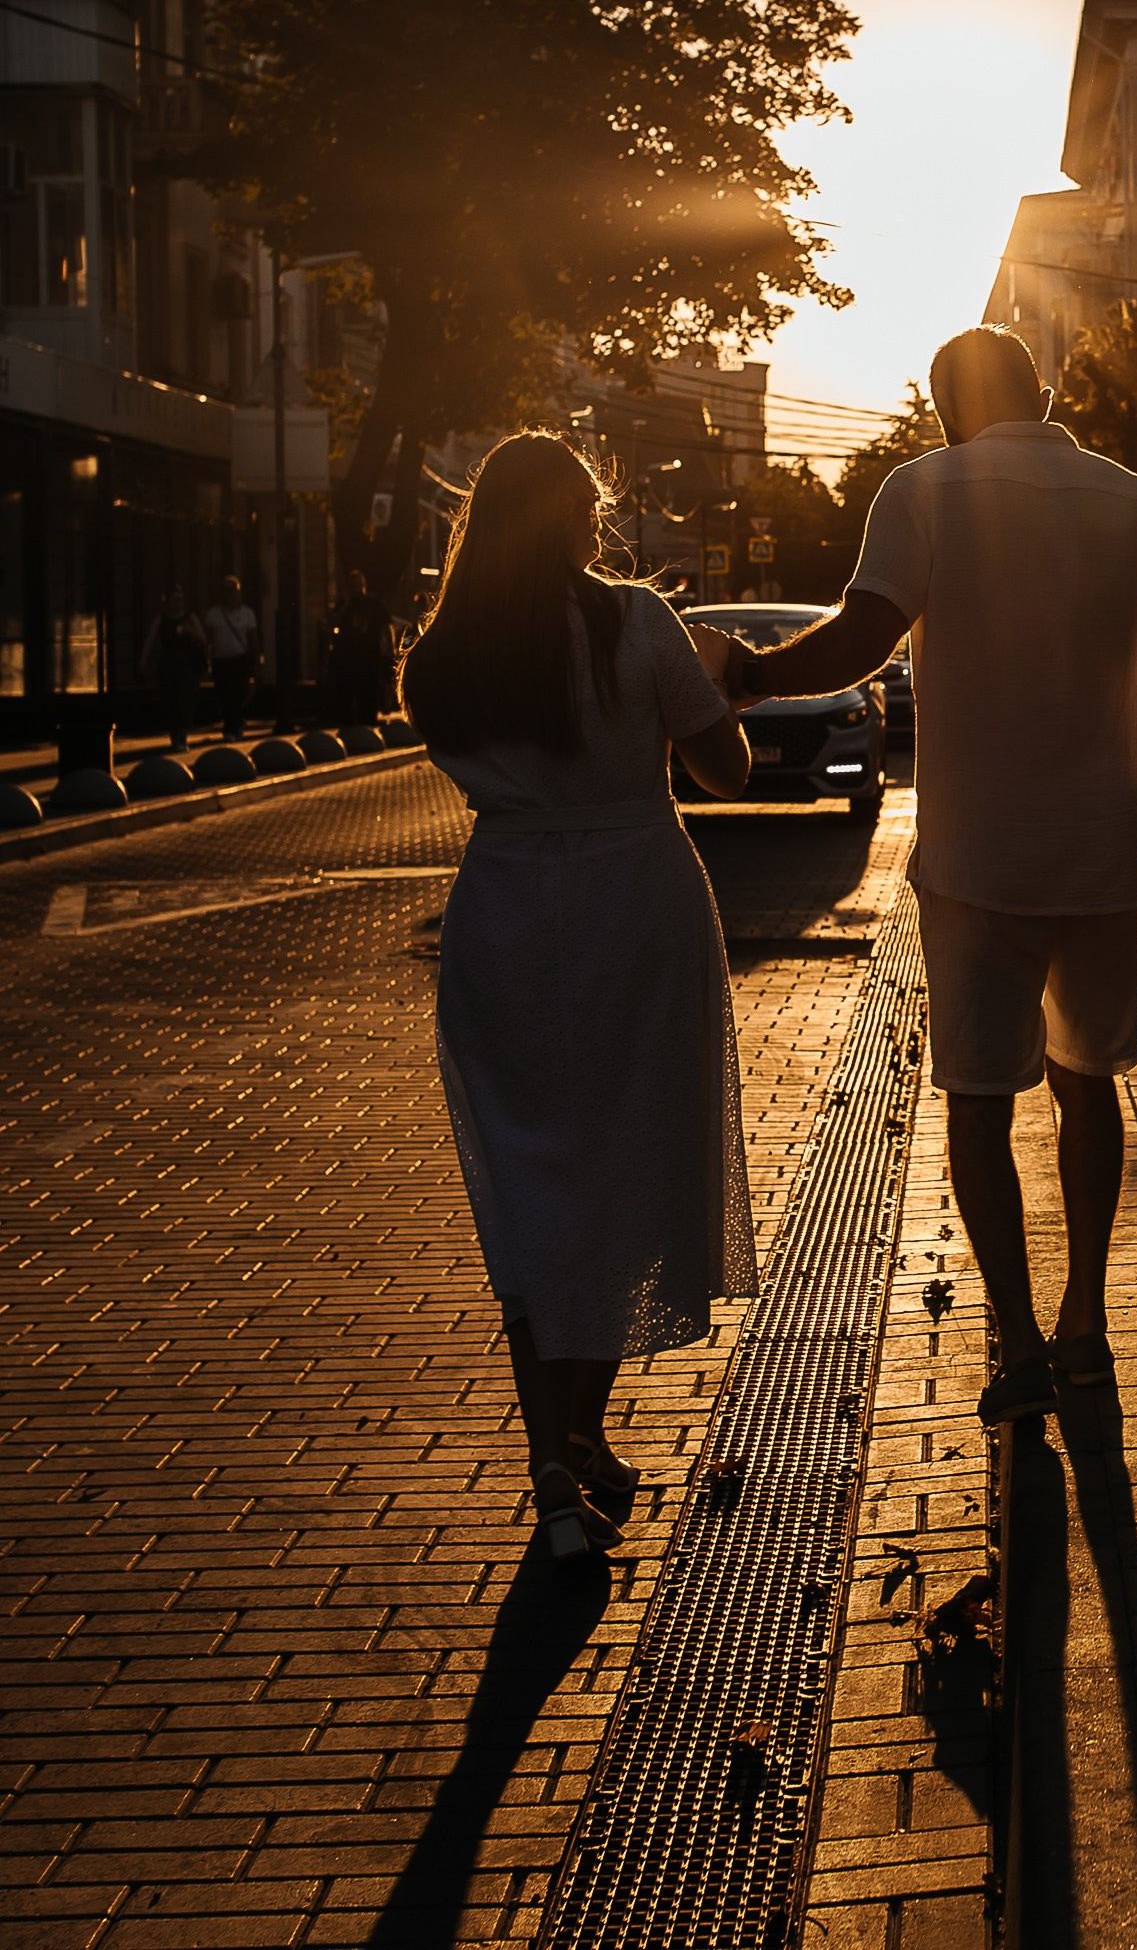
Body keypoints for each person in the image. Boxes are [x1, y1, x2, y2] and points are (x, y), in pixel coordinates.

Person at [710, 325, 1137, 1428]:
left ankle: (1020, 1338)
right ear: (1040, 394)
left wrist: (750, 676)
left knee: (980, 1101)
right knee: (1090, 1082)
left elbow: (864, 633)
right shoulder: (1136, 501)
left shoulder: (922, 488)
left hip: (976, 857)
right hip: (1096, 853)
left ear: (947, 405)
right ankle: (1085, 1320)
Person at [400, 431, 756, 1562]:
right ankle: (574, 1435)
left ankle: (560, 1455)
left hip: (504, 912)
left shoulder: (442, 652)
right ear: (574, 516)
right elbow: (725, 772)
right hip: (636, 910)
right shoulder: (635, 622)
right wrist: (715, 683)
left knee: (534, 1186)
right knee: (626, 1170)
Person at [139, 584, 210, 756]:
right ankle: (174, 735)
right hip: (168, 664)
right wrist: (143, 662)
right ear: (167, 601)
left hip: (187, 665)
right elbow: (149, 641)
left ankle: (182, 736)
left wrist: (189, 632)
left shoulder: (189, 617)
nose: (178, 603)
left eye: (180, 599)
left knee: (185, 701)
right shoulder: (161, 619)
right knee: (170, 701)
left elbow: (202, 638)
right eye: (174, 599)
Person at [326, 569, 393, 724]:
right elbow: (332, 623)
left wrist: (390, 647)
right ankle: (348, 721)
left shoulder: (373, 604)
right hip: (347, 657)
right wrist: (345, 605)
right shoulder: (344, 604)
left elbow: (386, 625)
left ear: (364, 584)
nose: (355, 587)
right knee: (347, 691)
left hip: (369, 655)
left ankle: (368, 720)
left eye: (357, 584)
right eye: (352, 585)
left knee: (369, 691)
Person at [202, 574, 261, 742]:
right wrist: (207, 660)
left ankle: (235, 725)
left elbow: (253, 639)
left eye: (233, 591)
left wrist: (257, 662)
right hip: (221, 660)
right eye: (227, 591)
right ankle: (231, 725)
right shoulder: (214, 614)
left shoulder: (247, 614)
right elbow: (209, 639)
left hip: (240, 659)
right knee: (224, 693)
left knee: (238, 693)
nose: (231, 595)